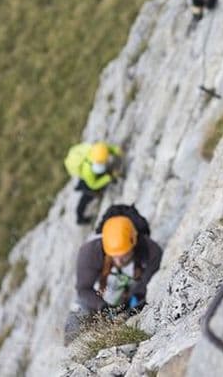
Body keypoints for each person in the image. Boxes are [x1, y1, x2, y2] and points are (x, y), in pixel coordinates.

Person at [64, 206, 162, 345]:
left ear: (134, 242)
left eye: (124, 256)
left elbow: (146, 283)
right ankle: (70, 348)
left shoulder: (151, 251)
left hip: (131, 293)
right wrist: (102, 307)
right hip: (101, 295)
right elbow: (83, 289)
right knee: (79, 310)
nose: (119, 261)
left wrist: (132, 306)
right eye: (114, 257)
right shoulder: (90, 252)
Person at [64, 141, 123, 224]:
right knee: (86, 198)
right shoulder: (89, 170)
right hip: (89, 184)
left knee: (99, 177)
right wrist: (109, 178)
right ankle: (79, 218)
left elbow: (108, 149)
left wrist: (116, 150)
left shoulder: (99, 150)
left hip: (90, 176)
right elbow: (93, 185)